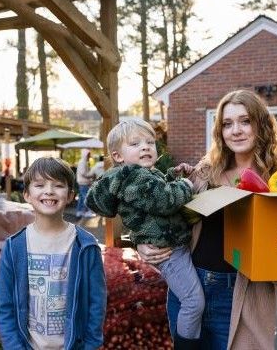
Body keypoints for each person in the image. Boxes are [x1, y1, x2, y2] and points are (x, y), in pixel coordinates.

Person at [137, 89, 277, 350]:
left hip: (241, 294)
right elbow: (161, 215)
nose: (235, 130)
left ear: (261, 125)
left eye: (245, 121)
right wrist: (142, 243)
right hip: (191, 286)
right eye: (227, 124)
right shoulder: (204, 172)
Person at [86, 118, 204, 349]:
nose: (145, 146)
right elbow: (165, 201)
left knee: (185, 299)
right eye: (135, 143)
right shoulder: (132, 177)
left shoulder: (143, 175)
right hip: (168, 252)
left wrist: (174, 175)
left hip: (169, 247)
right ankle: (187, 345)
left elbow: (157, 190)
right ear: (118, 156)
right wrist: (186, 186)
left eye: (150, 142)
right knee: (193, 302)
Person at [0, 157, 106, 349]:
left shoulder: (86, 245)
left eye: (58, 185)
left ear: (71, 195)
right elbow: (4, 307)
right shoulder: (14, 247)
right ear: (27, 195)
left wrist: (90, 345)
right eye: (39, 185)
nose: (49, 191)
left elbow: (97, 302)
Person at [76, 149, 95, 218]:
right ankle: (87, 212)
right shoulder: (83, 162)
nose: (89, 156)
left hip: (82, 182)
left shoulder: (83, 162)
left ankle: (79, 212)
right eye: (88, 154)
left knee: (81, 198)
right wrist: (91, 175)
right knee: (86, 198)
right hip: (83, 182)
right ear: (85, 154)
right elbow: (83, 173)